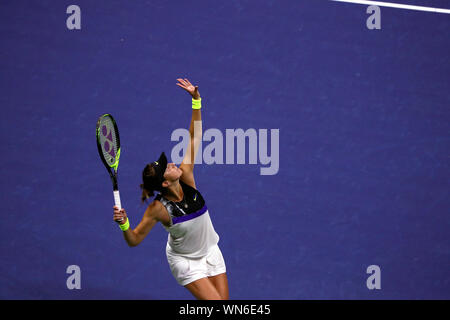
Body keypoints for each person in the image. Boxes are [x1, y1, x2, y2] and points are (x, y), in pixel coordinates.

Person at [113, 78, 229, 300]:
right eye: (167, 168)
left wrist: (196, 101)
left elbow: (194, 136)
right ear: (165, 183)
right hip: (186, 262)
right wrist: (124, 224)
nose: (174, 164)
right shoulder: (158, 209)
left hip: (210, 251)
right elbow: (134, 239)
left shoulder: (186, 176)